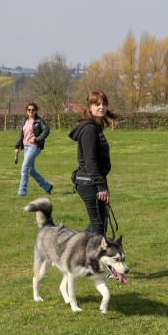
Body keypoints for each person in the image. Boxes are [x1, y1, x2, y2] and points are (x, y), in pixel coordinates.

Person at [69, 90, 116, 235]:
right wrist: (101, 186)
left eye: (104, 104)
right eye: (97, 104)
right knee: (98, 227)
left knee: (97, 226)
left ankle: (73, 248)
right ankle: (90, 257)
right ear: (89, 107)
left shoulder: (95, 127)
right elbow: (90, 161)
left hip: (93, 181)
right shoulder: (89, 129)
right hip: (89, 183)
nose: (101, 107)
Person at [14, 102, 52, 196]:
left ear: (36, 111)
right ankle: (47, 186)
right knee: (30, 170)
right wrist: (17, 147)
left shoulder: (39, 121)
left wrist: (37, 139)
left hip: (34, 147)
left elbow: (46, 130)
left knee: (24, 168)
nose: (31, 111)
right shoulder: (25, 121)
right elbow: (21, 135)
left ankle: (22, 191)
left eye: (33, 110)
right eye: (29, 110)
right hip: (25, 147)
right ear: (26, 111)